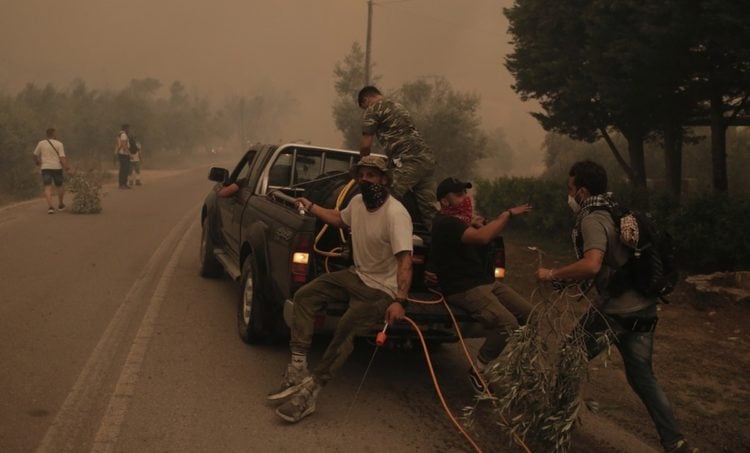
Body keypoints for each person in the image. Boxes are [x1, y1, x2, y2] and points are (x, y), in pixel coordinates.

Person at [536, 160, 696, 453]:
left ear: (582, 191)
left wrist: (551, 275)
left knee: (570, 357)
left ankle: (553, 425)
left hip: (615, 313)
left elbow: (591, 263)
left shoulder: (593, 218)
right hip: (644, 308)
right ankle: (676, 444)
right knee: (643, 377)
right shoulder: (617, 209)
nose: (569, 195)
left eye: (570, 188)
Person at [268, 155, 413, 423]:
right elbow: (339, 219)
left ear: (384, 179)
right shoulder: (357, 202)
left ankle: (311, 391)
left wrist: (400, 301)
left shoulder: (396, 214)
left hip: (381, 290)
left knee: (345, 328)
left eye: (372, 175)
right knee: (304, 296)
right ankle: (297, 368)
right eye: (362, 175)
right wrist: (311, 206)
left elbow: (405, 260)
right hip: (356, 276)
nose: (366, 180)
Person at [430, 177, 533, 391]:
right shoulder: (445, 222)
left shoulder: (459, 221)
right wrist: (506, 215)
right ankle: (479, 368)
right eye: (458, 195)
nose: (466, 198)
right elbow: (482, 238)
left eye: (465, 193)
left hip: (485, 281)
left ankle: (519, 367)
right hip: (463, 288)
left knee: (531, 314)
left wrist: (472, 223)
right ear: (444, 202)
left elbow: (473, 234)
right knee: (508, 324)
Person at [358, 85, 438, 229]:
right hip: (426, 160)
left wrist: (363, 164)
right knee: (429, 212)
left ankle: (373, 232)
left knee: (385, 196)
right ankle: (437, 245)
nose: (366, 110)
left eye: (364, 107)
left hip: (409, 160)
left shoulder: (373, 109)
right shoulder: (399, 107)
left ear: (366, 99)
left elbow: (365, 146)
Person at [32, 128, 71, 214]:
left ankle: (50, 207)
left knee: (47, 186)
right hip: (57, 168)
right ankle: (60, 204)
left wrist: (38, 162)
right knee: (59, 186)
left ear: (47, 134)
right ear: (54, 134)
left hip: (45, 168)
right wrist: (66, 167)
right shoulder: (59, 144)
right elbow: (62, 158)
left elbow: (34, 155)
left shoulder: (41, 143)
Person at [115, 124, 131, 189]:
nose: (129, 130)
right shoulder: (123, 135)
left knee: (124, 169)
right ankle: (122, 184)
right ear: (126, 128)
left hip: (122, 153)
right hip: (124, 154)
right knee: (124, 169)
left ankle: (123, 183)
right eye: (128, 128)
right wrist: (129, 153)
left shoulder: (120, 134)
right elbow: (124, 145)